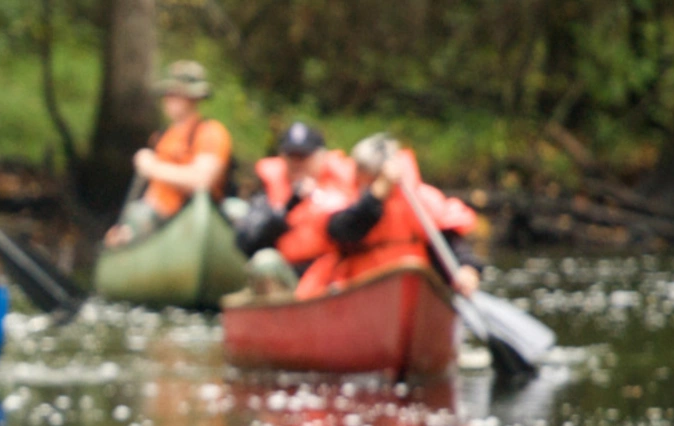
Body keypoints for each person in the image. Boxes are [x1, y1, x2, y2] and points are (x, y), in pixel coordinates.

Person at [295, 133, 484, 300]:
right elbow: (342, 231)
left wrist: (467, 269)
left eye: (369, 178)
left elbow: (451, 244)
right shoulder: (344, 200)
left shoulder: (420, 201)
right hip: (360, 293)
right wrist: (377, 194)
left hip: (415, 294)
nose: (363, 183)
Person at [104, 60, 233, 247]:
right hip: (155, 219)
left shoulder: (211, 132)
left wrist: (152, 167)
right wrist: (127, 229)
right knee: (132, 220)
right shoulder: (162, 137)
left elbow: (202, 180)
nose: (170, 98)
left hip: (189, 220)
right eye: (169, 93)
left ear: (194, 98)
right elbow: (153, 195)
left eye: (178, 94)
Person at [235, 122, 358, 291]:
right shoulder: (267, 189)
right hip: (288, 276)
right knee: (265, 262)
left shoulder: (345, 184)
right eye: (291, 156)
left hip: (333, 273)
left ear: (321, 156)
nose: (297, 163)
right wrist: (289, 206)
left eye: (303, 156)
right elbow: (247, 241)